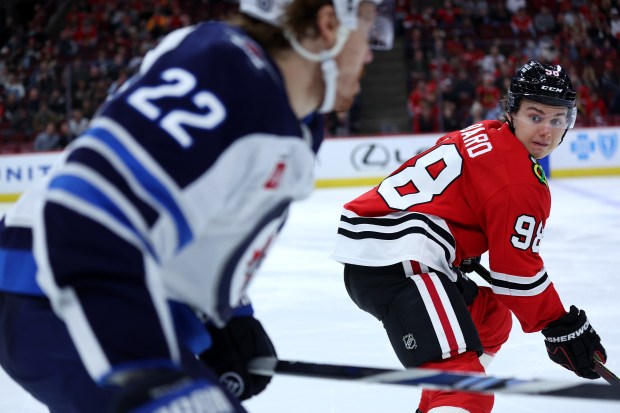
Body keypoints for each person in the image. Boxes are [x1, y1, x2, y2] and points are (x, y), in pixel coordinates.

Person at [0, 1, 392, 413]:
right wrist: (144, 371)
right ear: (330, 24)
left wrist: (229, 319)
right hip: (55, 292)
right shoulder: (224, 68)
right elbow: (83, 214)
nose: (371, 51)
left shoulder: (293, 115)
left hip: (107, 295)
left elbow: (207, 217)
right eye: (369, 28)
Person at [331, 60, 607, 413]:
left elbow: (455, 198)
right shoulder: (520, 182)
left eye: (558, 120)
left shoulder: (485, 132)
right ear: (511, 112)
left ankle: (439, 402)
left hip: (385, 249)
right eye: (535, 117)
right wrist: (560, 324)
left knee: (492, 318)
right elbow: (515, 273)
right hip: (401, 261)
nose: (547, 131)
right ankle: (452, 400)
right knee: (467, 389)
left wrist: (461, 242)